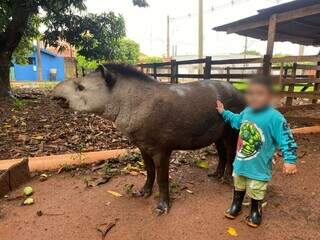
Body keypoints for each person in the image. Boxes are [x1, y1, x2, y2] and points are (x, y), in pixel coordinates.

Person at [216, 76, 298, 228]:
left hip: (259, 165)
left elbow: (287, 138)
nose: (254, 97)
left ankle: (255, 211)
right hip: (241, 161)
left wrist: (290, 160)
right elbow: (236, 121)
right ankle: (236, 205)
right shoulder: (247, 111)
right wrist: (223, 112)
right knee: (238, 183)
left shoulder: (275, 118)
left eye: (259, 93)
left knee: (256, 188)